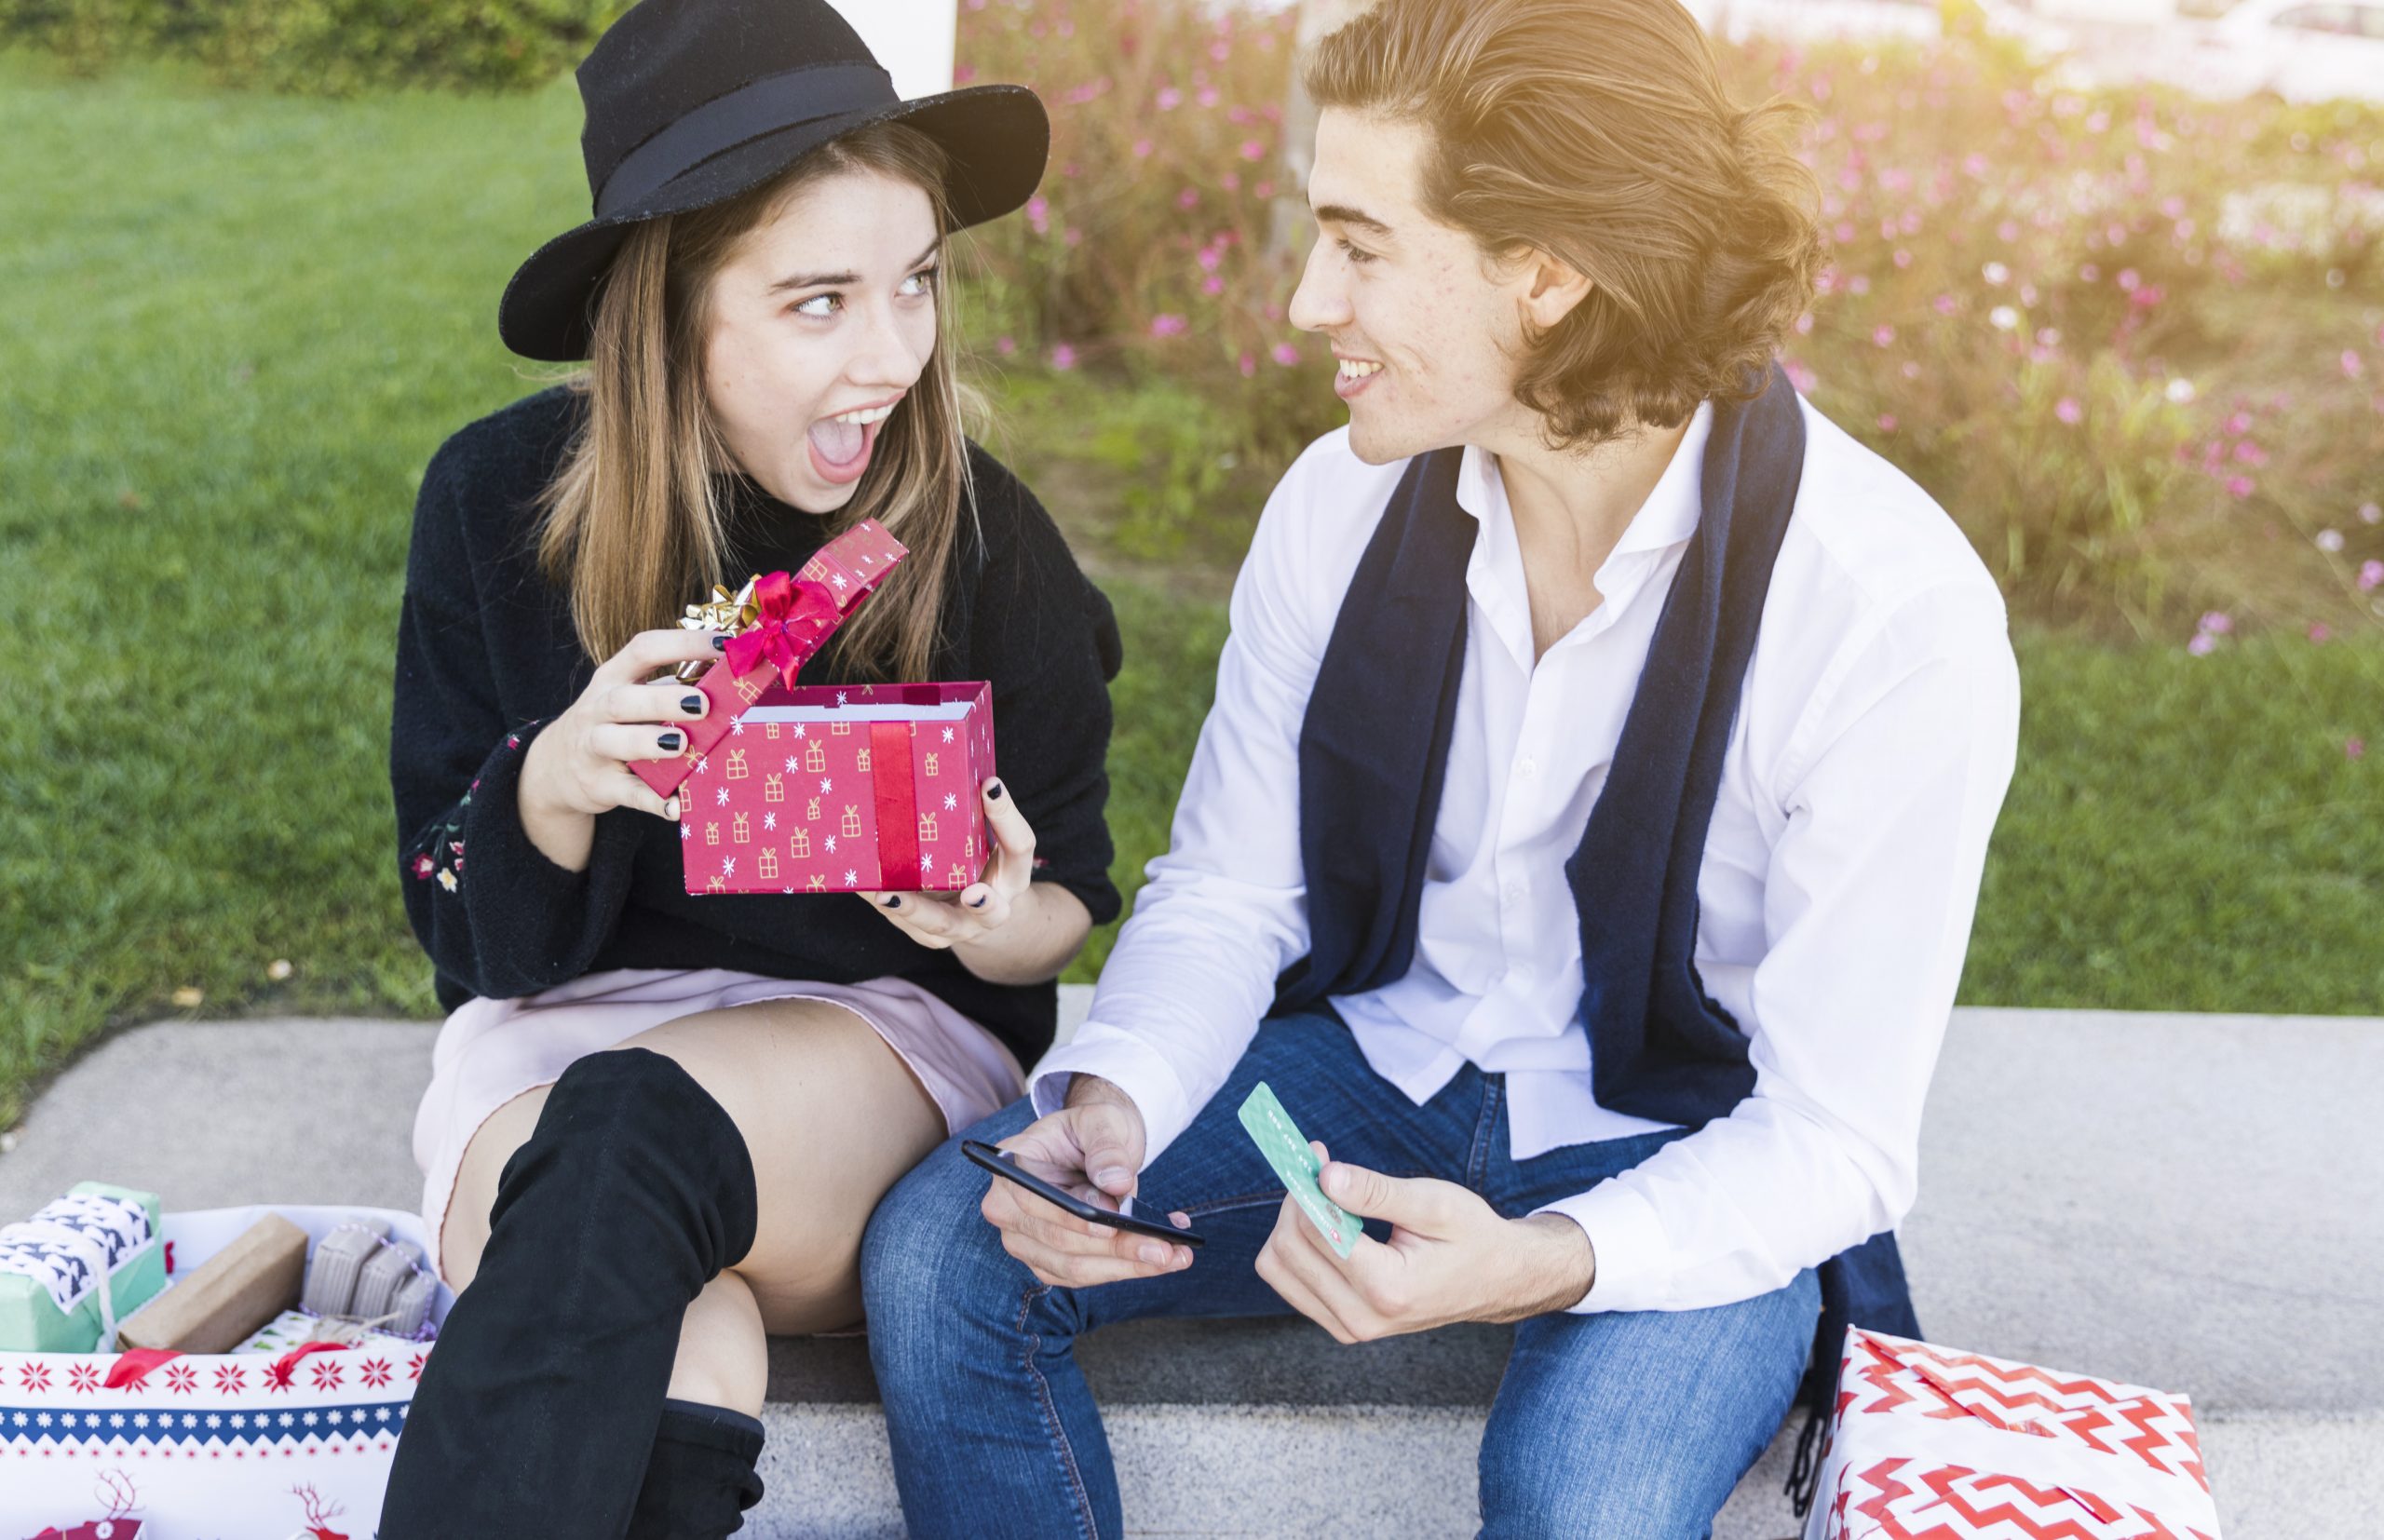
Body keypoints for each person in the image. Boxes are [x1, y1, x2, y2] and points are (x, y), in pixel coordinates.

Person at [858, 0, 2023, 1534]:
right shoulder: (1336, 510)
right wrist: (1125, 1095)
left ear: (1546, 268)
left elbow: (1835, 1135)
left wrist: (1539, 1259)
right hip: (1383, 1069)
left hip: (1682, 1135)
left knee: (1578, 1496)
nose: (1300, 301)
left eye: (1358, 244)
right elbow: (1231, 884)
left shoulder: (1884, 617)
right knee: (954, 1249)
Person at [377, 2, 1120, 1533]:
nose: (892, 355)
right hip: (551, 1044)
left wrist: (990, 909)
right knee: (668, 1323)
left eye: (913, 283)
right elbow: (470, 942)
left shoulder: (980, 538)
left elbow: (1068, 913)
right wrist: (554, 785)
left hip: (870, 1045)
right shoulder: (494, 504)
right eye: (818, 302)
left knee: (627, 1129)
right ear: (671, 313)